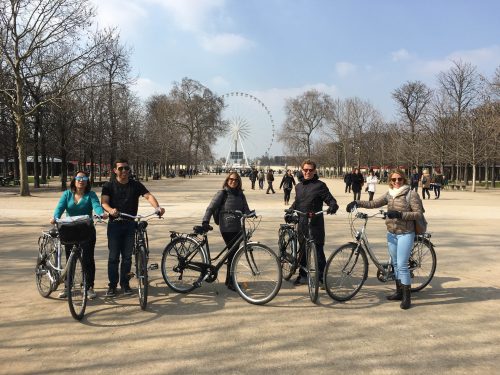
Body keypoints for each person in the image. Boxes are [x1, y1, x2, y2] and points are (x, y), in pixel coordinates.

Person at [346, 169, 425, 310]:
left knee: (401, 265)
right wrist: (356, 202)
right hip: (392, 233)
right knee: (395, 264)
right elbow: (374, 203)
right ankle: (399, 292)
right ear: (390, 181)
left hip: (406, 233)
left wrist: (400, 214)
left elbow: (418, 214)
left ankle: (407, 298)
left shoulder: (411, 194)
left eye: (399, 179)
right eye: (394, 180)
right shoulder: (389, 194)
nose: (396, 182)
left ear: (404, 180)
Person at [101, 158, 165, 297]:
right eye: (120, 168)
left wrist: (157, 207)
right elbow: (104, 202)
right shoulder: (108, 185)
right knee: (113, 258)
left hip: (130, 224)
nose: (124, 171)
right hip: (114, 225)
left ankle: (125, 284)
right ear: (114, 171)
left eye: (126, 168)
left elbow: (148, 196)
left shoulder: (135, 185)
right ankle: (112, 285)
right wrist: (111, 210)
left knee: (127, 258)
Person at [51, 171, 106, 300]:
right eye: (79, 178)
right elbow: (59, 208)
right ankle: (68, 286)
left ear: (87, 181)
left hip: (86, 230)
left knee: (88, 259)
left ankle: (89, 287)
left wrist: (100, 213)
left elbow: (96, 206)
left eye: (84, 178)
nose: (81, 180)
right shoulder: (67, 194)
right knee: (71, 259)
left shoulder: (90, 195)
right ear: (74, 180)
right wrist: (55, 217)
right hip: (70, 230)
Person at [288, 159, 339, 286]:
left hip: (316, 223)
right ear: (302, 170)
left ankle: (321, 276)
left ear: (315, 171)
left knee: (318, 251)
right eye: (305, 170)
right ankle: (303, 275)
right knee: (303, 251)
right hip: (302, 222)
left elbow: (330, 199)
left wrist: (333, 206)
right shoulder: (298, 186)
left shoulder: (320, 185)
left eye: (311, 170)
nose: (308, 172)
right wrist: (290, 211)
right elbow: (297, 202)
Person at [201, 172, 251, 291]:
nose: (233, 181)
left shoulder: (241, 195)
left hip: (238, 227)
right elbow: (211, 207)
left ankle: (229, 280)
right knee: (233, 253)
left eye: (236, 180)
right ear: (227, 180)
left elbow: (246, 209)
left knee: (232, 253)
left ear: (239, 182)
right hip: (226, 227)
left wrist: (251, 214)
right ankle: (230, 281)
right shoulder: (222, 193)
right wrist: (205, 221)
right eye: (231, 179)